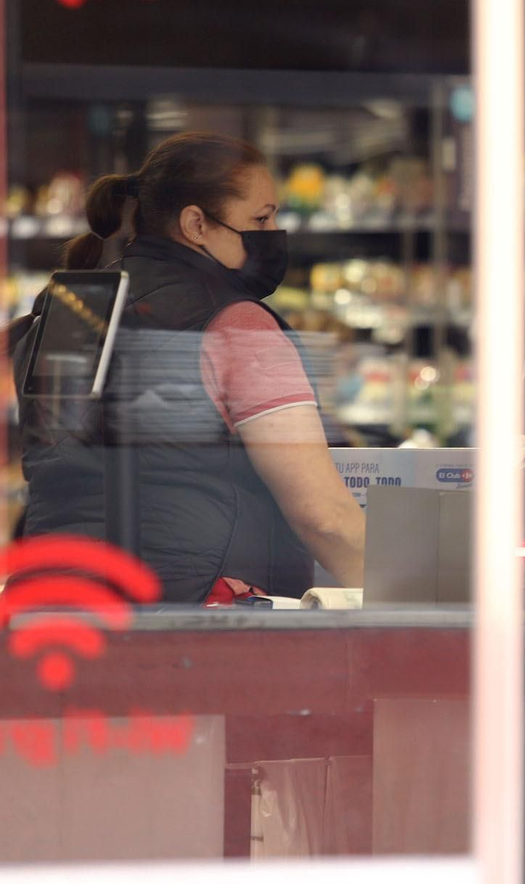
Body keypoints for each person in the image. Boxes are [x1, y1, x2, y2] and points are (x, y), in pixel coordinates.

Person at [13, 132, 365, 603]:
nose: (275, 233)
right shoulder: (238, 325)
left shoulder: (65, 312)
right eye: (261, 218)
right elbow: (323, 515)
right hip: (193, 624)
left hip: (53, 611)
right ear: (196, 224)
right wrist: (419, 605)